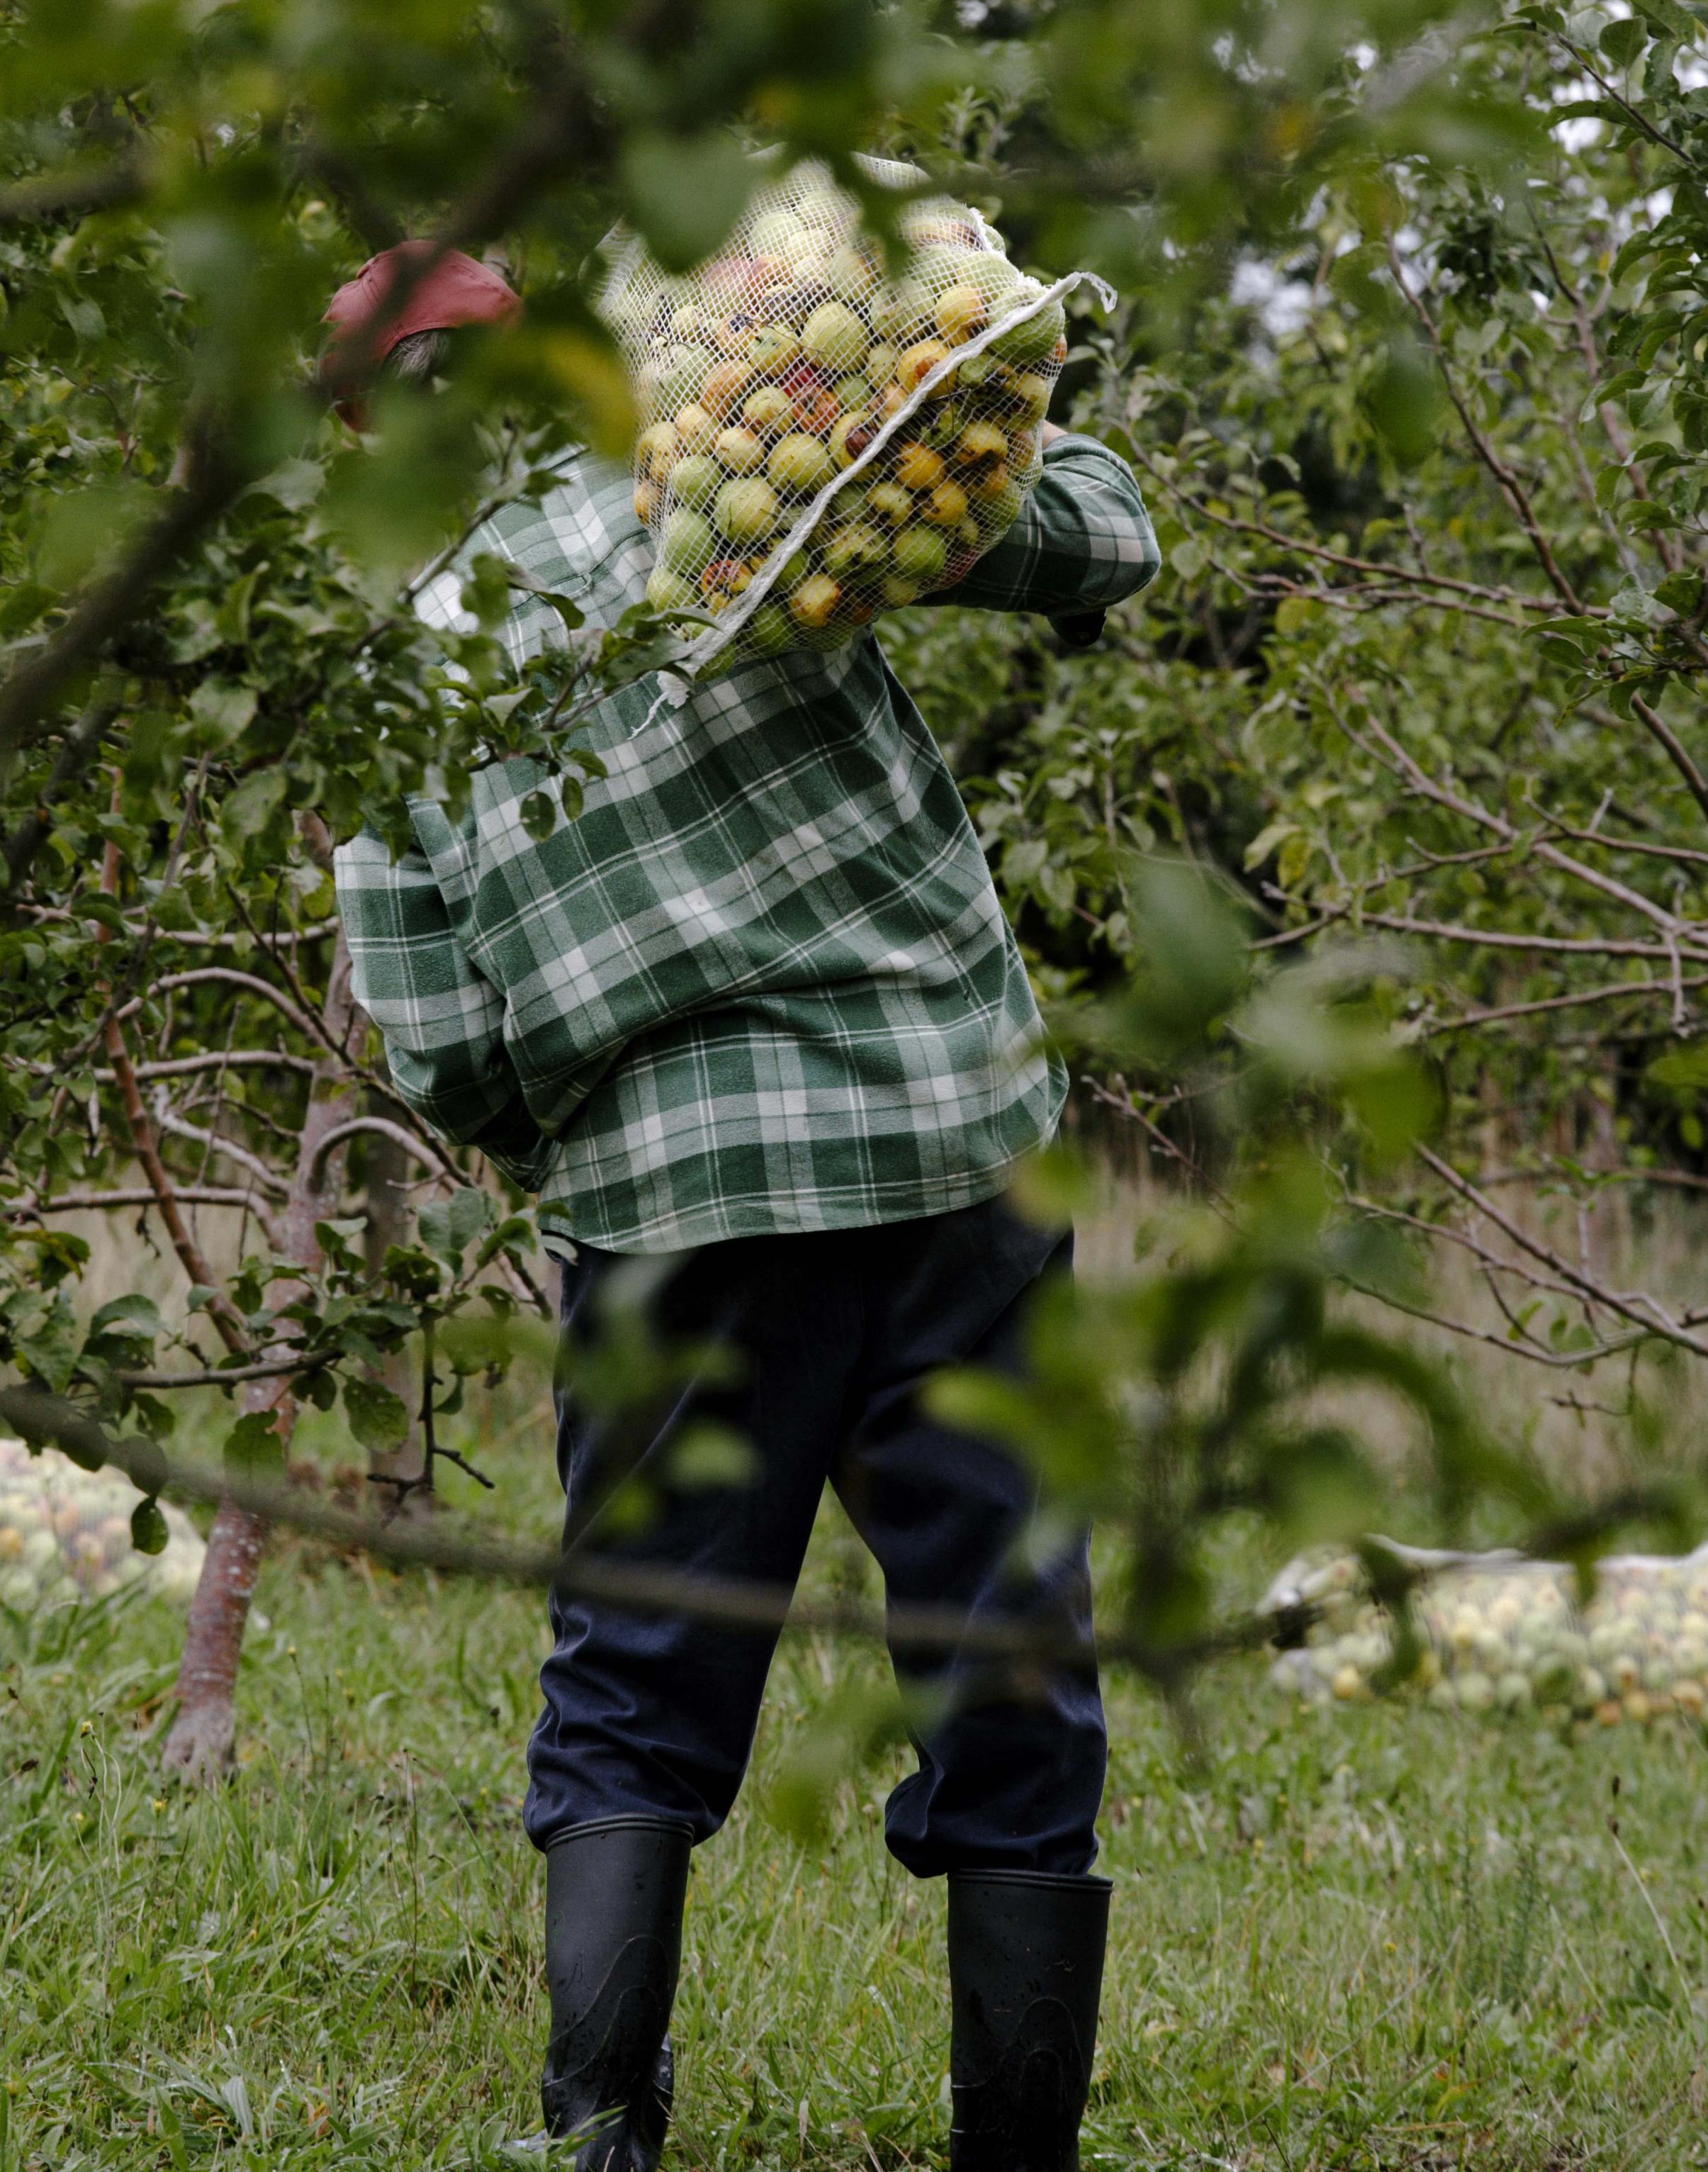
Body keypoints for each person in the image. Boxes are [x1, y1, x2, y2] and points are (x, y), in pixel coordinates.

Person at [327, 235, 1161, 2172]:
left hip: (673, 1212)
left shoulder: (396, 659)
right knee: (1007, 1650)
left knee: (636, 1681)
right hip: (945, 1152)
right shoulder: (738, 471)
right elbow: (1105, 536)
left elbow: (436, 1039)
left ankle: (599, 2141)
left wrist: (606, 1119)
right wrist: (946, 492)